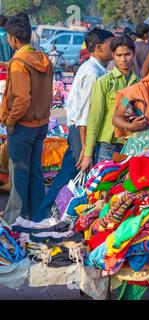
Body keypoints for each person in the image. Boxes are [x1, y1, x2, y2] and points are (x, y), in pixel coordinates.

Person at [38, 28, 114, 219]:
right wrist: (84, 148)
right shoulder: (92, 73)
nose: (114, 49)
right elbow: (84, 114)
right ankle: (45, 216)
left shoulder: (97, 70)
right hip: (82, 132)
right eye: (111, 45)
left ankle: (53, 215)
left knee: (69, 176)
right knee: (71, 176)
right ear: (98, 47)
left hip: (82, 132)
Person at [0, 16, 53, 223]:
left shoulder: (19, 63)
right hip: (40, 123)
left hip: (22, 125)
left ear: (12, 39)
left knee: (19, 176)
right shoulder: (43, 59)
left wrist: (11, 121)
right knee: (34, 174)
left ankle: (14, 220)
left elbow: (21, 99)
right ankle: (38, 218)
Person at [79, 36, 139, 172]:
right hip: (107, 145)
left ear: (134, 54)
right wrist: (88, 154)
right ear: (113, 55)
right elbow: (94, 119)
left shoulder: (139, 84)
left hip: (131, 144)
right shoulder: (104, 82)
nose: (123, 59)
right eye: (119, 55)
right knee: (103, 187)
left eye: (127, 54)